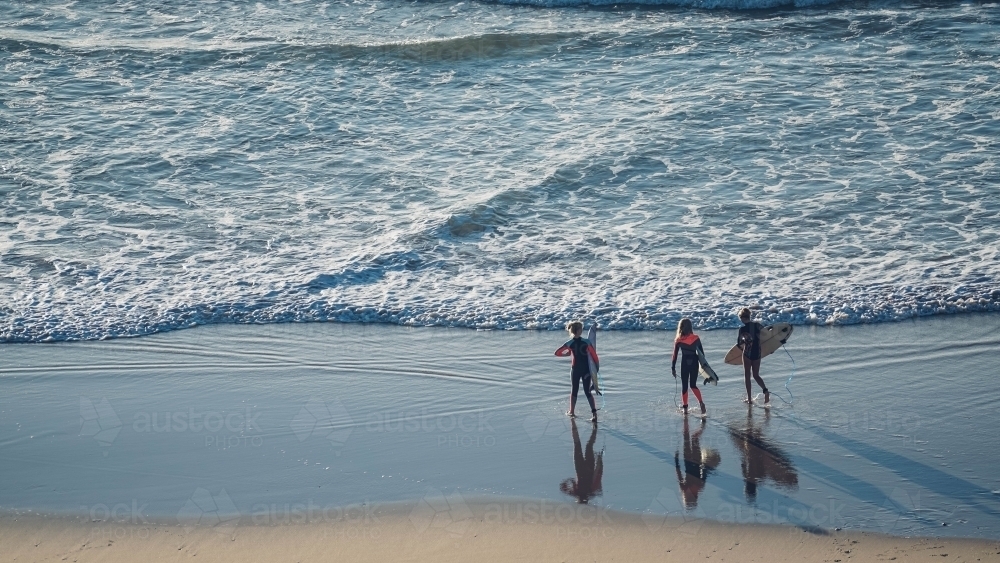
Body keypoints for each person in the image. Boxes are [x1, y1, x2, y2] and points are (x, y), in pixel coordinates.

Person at [554, 321, 599, 422]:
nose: (582, 330)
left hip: (575, 370)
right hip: (586, 370)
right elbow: (595, 358)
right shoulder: (587, 342)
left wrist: (567, 354)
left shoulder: (569, 343)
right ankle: (594, 415)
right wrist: (596, 370)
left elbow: (557, 353)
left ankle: (572, 412)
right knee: (588, 392)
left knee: (574, 391)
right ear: (578, 330)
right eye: (581, 328)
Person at [559, 418, 604, 504]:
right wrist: (571, 481)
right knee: (578, 444)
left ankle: (593, 429)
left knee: (589, 446)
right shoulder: (578, 493)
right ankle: (575, 425)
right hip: (580, 467)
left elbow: (598, 475)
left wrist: (600, 462)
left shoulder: (591, 491)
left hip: (587, 466)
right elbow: (562, 487)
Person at [672, 318, 706, 415]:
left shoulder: (678, 340)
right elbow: (702, 354)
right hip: (694, 362)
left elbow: (674, 355)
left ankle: (685, 409)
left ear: (681, 327)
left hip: (685, 363)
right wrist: (703, 366)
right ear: (690, 327)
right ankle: (701, 403)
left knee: (684, 386)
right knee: (693, 385)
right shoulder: (696, 338)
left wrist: (673, 368)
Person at [737, 308, 769, 405]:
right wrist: (771, 349)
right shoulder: (758, 325)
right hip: (757, 353)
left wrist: (744, 340)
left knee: (747, 376)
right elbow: (767, 336)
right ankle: (765, 391)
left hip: (748, 353)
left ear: (742, 318)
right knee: (756, 375)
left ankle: (750, 399)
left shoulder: (742, 329)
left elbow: (739, 343)